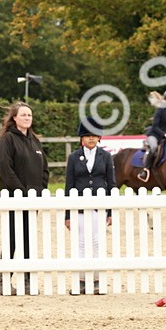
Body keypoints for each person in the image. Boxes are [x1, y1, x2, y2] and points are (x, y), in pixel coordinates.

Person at [0, 102, 49, 295]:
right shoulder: (8, 140)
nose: (27, 118)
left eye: (30, 115)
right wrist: (21, 192)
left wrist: (41, 191)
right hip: (13, 198)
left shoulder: (34, 141)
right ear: (15, 118)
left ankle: (27, 280)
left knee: (28, 240)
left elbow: (44, 168)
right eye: (23, 115)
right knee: (12, 239)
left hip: (33, 200)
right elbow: (4, 167)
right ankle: (4, 280)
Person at [64, 118, 116, 295]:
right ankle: (80, 280)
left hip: (99, 207)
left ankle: (96, 279)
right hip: (79, 206)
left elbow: (111, 183)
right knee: (80, 242)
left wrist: (110, 211)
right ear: (81, 139)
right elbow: (68, 186)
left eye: (94, 135)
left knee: (96, 242)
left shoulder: (106, 156)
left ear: (99, 138)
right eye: (87, 136)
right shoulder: (73, 157)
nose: (91, 139)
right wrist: (67, 215)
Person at [141, 88, 166, 180]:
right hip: (153, 135)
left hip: (163, 137)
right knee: (154, 147)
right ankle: (145, 169)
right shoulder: (160, 110)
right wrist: (165, 135)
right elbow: (155, 126)